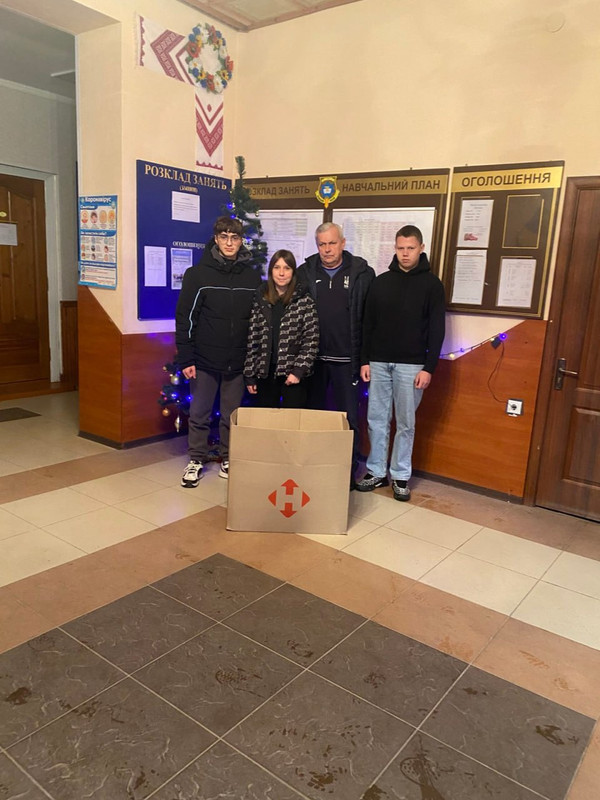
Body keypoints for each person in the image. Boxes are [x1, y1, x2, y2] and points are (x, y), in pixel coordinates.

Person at [357, 225, 446, 501]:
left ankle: (400, 474)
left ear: (421, 249)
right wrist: (364, 360)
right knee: (377, 419)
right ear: (395, 249)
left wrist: (429, 368)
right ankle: (376, 471)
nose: (405, 253)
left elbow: (437, 329)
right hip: (378, 362)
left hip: (412, 366)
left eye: (410, 248)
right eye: (401, 248)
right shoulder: (381, 282)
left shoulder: (432, 285)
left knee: (406, 423)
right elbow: (367, 324)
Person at [175, 216, 262, 487]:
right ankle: (196, 458)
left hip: (237, 360)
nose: (229, 243)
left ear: (241, 241)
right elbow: (186, 318)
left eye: (234, 238)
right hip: (203, 360)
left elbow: (257, 320)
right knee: (199, 413)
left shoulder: (251, 277)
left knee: (230, 415)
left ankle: (227, 456)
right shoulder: (197, 275)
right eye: (224, 237)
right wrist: (186, 357)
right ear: (216, 239)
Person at [297, 222, 375, 485]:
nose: (327, 249)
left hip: (347, 362)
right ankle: (312, 468)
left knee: (348, 421)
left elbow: (370, 320)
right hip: (313, 361)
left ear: (342, 243)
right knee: (313, 417)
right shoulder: (305, 272)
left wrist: (365, 359)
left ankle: (346, 473)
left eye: (332, 243)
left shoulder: (362, 273)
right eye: (322, 244)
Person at [244, 250, 319, 408]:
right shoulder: (261, 298)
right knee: (265, 420)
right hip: (265, 374)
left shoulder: (304, 299)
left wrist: (298, 371)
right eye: (277, 267)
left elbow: (311, 340)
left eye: (287, 268)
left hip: (293, 375)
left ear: (293, 272)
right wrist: (250, 375)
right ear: (271, 270)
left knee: (293, 420)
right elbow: (253, 338)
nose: (282, 273)